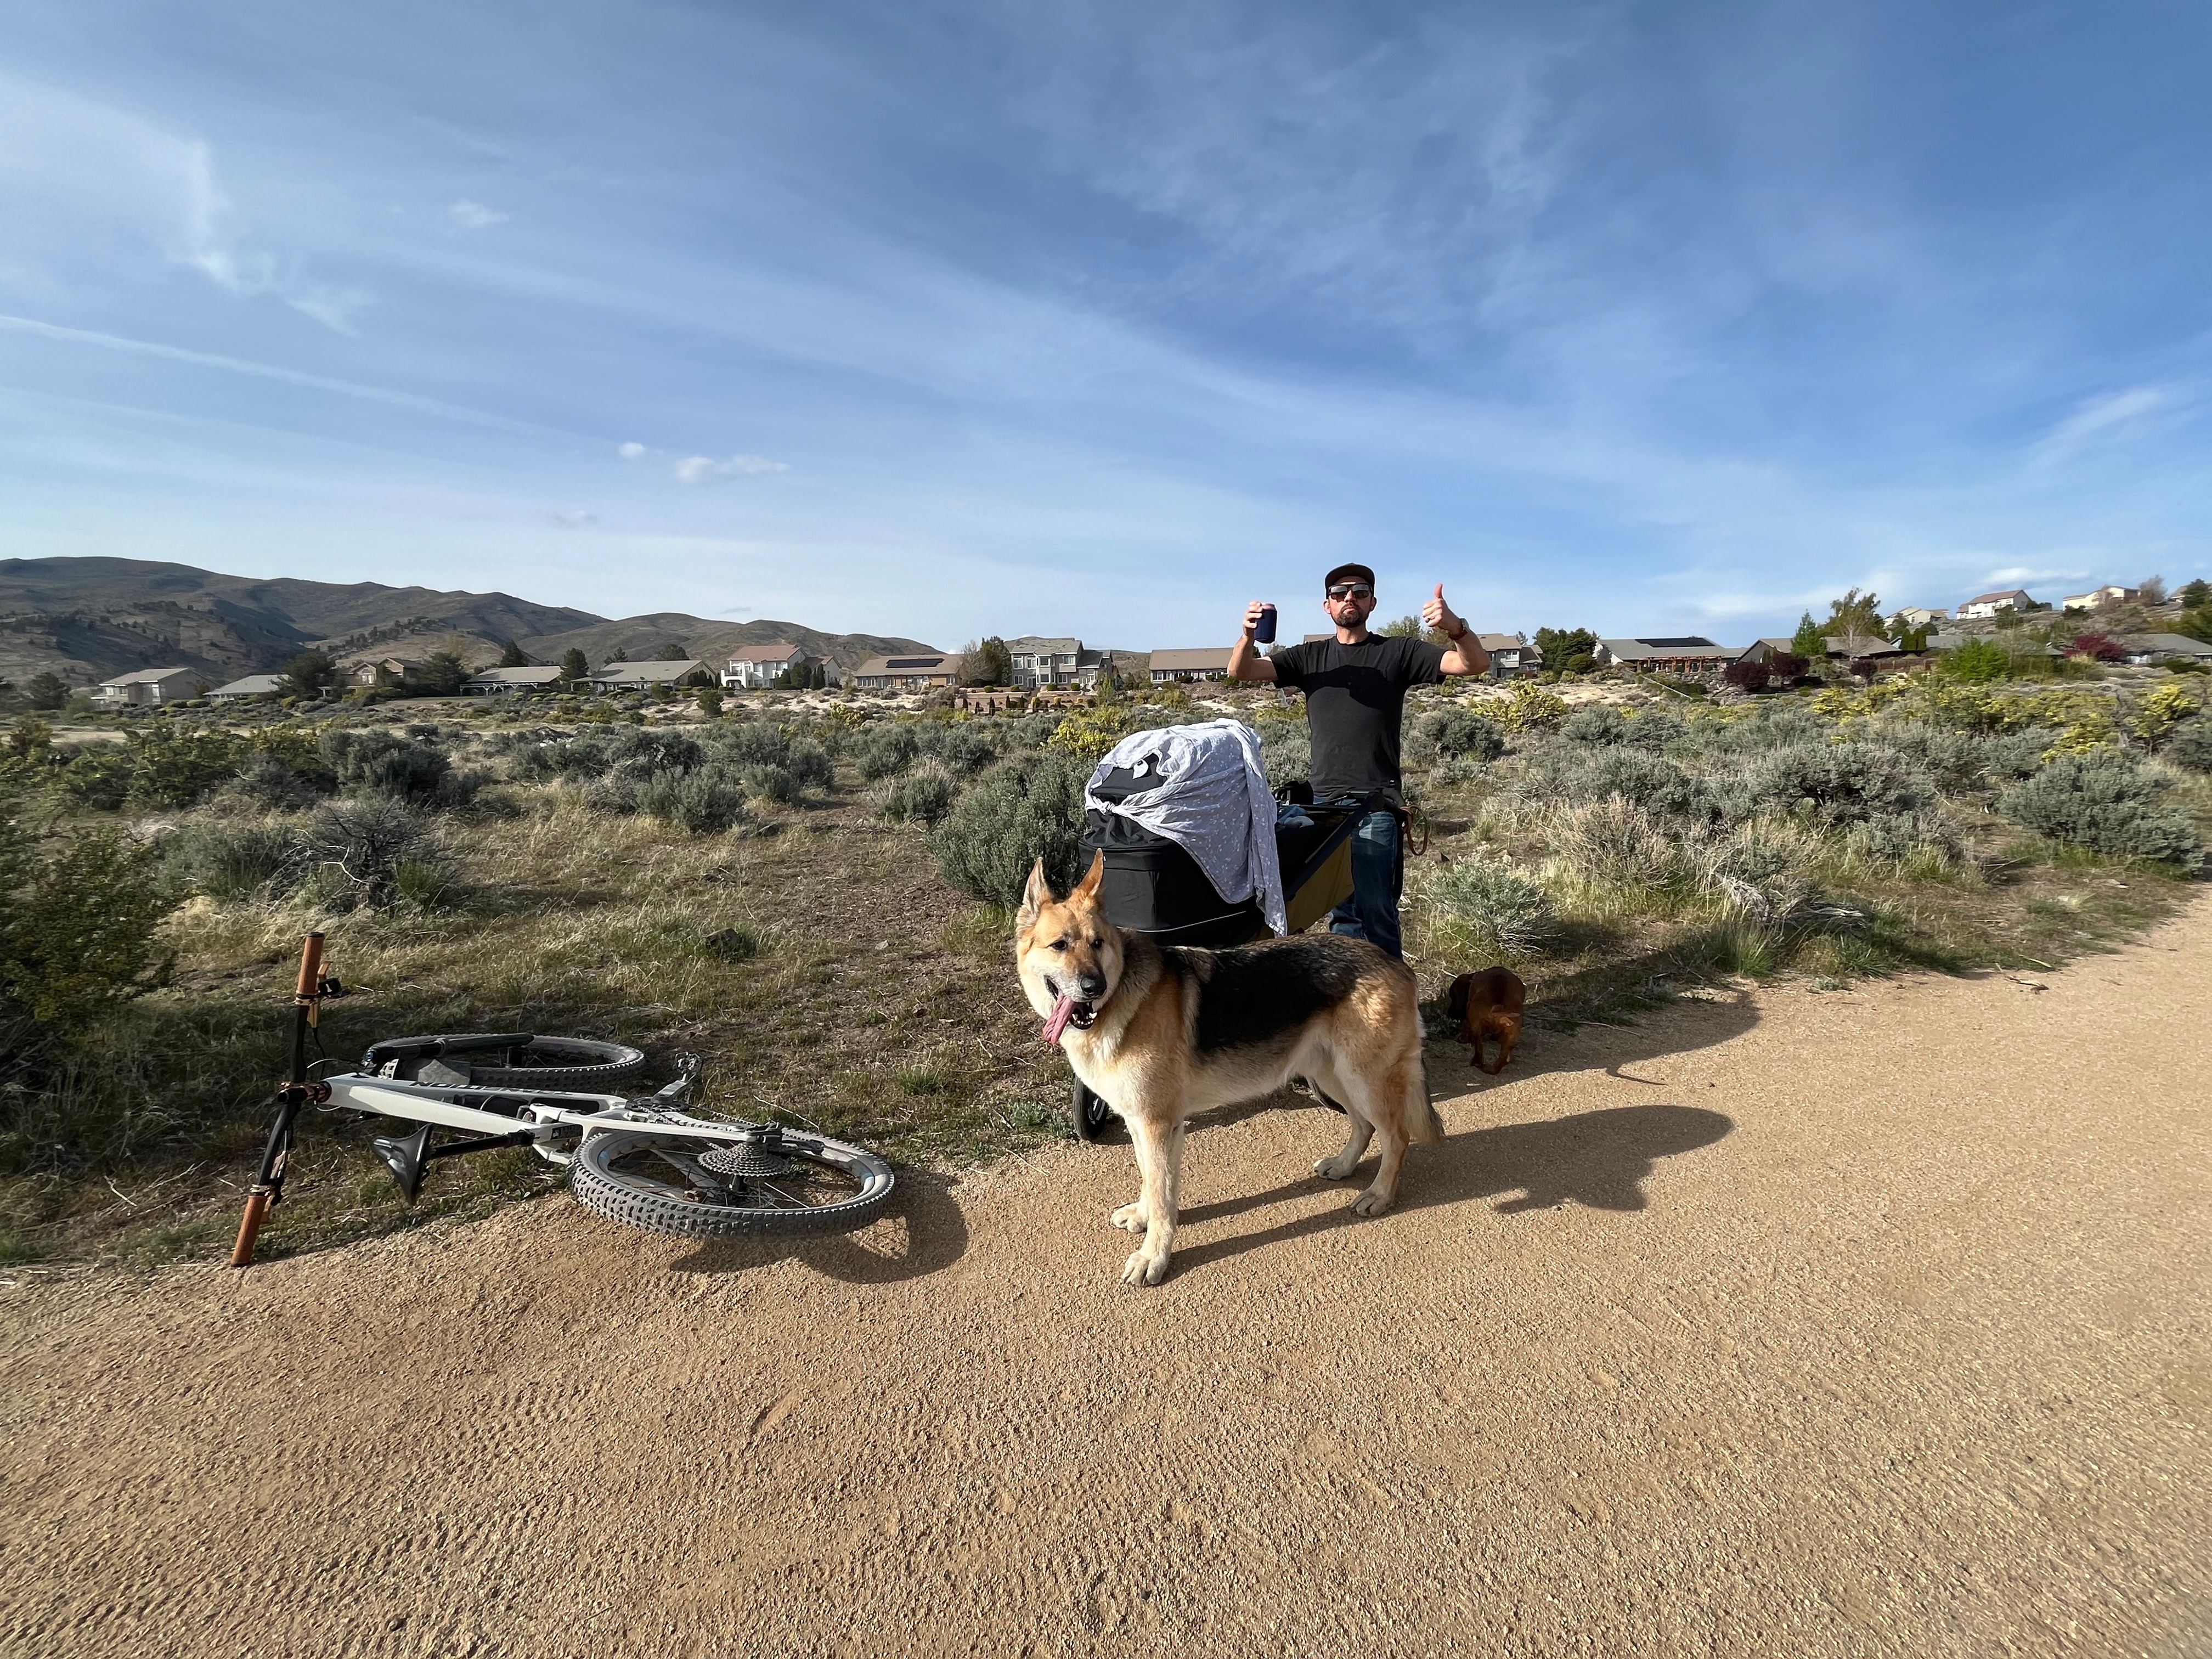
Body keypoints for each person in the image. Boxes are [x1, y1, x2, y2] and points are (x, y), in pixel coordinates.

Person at [1226, 563, 1491, 959]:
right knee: (1342, 916)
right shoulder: (1309, 657)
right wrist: (1247, 635)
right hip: (1323, 808)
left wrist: (1456, 629)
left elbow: (1474, 665)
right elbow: (1241, 671)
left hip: (1375, 805)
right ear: (1327, 605)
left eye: (1360, 591)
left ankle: (1394, 1011)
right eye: (1340, 592)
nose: (1350, 598)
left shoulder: (1399, 652)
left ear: (1373, 602)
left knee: (1377, 911)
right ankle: (1352, 1009)